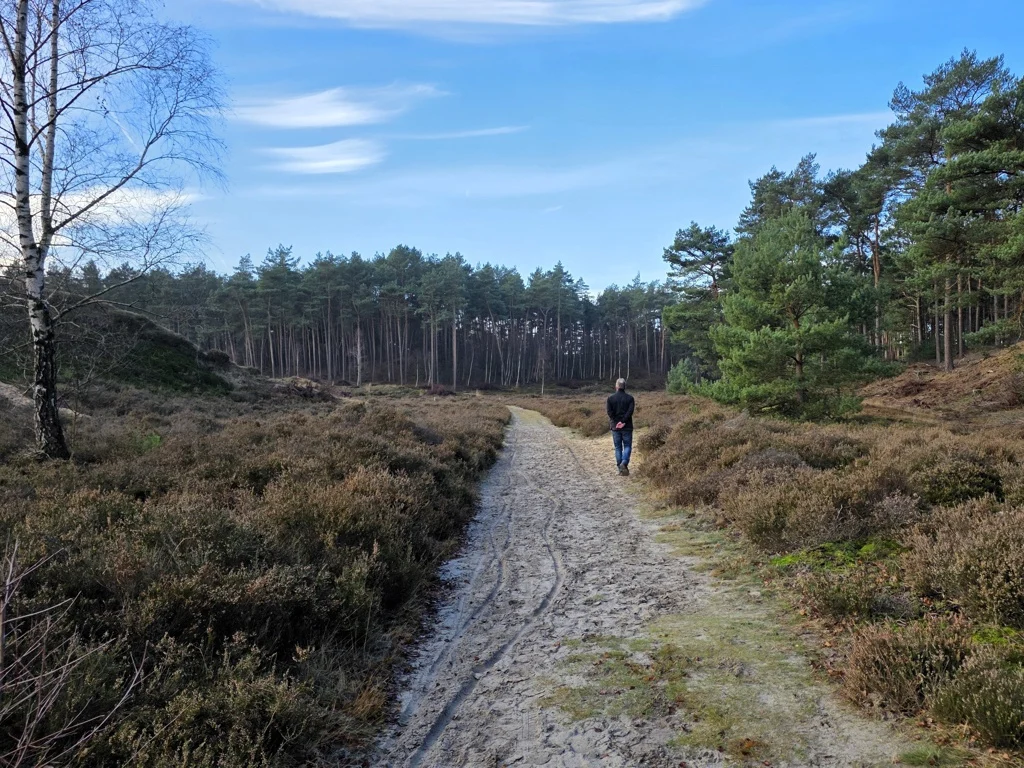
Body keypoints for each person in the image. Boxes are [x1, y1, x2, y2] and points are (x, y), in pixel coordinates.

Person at [606, 378, 635, 476]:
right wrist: (623, 421)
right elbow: (630, 412)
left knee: (618, 447)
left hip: (615, 427)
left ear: (616, 386)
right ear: (624, 387)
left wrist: (617, 422)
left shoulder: (610, 398)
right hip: (627, 426)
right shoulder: (630, 398)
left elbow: (609, 412)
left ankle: (620, 468)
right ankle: (624, 463)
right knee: (627, 446)